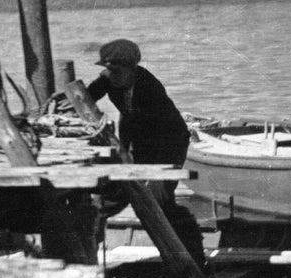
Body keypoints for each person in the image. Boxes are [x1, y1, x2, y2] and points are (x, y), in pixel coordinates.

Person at [86, 38, 206, 263]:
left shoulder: (150, 88)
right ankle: (89, 252)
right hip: (140, 143)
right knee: (110, 195)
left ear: (132, 68)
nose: (111, 75)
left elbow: (162, 133)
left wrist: (156, 175)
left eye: (117, 70)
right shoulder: (109, 79)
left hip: (169, 143)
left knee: (160, 200)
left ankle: (193, 258)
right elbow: (86, 96)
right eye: (108, 70)